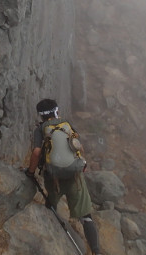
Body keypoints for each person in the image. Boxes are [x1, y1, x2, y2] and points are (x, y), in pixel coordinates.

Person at [25, 98, 101, 255]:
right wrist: (82, 163)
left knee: (50, 206)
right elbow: (78, 146)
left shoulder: (40, 129)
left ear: (41, 116)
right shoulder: (66, 125)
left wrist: (30, 172)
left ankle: (50, 231)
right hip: (75, 175)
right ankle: (96, 251)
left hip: (54, 178)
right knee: (86, 216)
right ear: (56, 111)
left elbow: (37, 152)